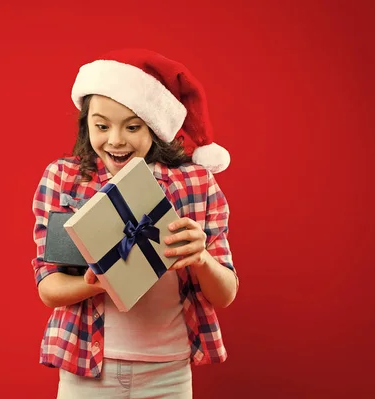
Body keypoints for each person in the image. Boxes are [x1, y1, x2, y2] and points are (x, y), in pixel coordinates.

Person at [31, 49, 239, 399]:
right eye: (101, 125)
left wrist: (201, 257)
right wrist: (101, 282)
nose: (115, 140)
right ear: (86, 123)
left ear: (154, 127)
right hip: (88, 369)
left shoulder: (196, 183)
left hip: (168, 373)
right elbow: (48, 288)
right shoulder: (63, 180)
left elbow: (226, 293)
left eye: (132, 126)